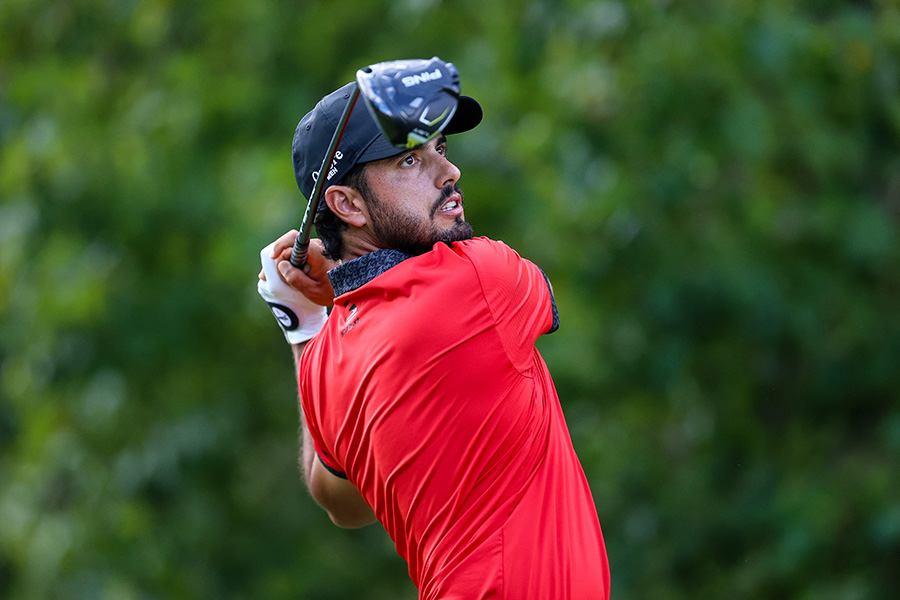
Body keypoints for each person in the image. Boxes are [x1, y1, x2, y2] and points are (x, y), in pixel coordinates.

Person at [257, 67, 610, 599]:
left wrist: (303, 326)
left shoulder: (326, 359)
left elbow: (339, 501)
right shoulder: (476, 278)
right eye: (410, 160)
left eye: (440, 147)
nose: (449, 170)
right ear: (347, 205)